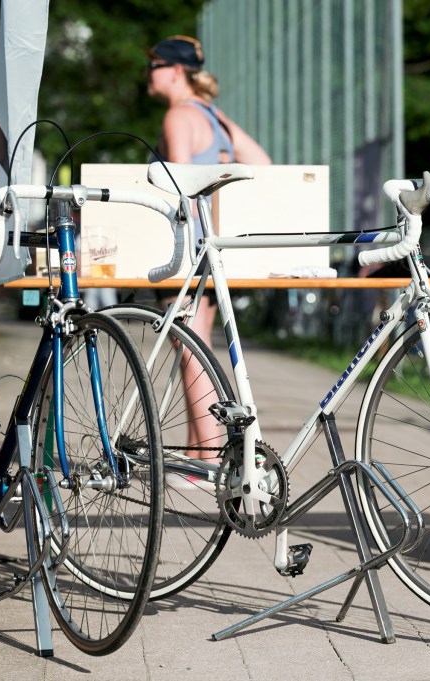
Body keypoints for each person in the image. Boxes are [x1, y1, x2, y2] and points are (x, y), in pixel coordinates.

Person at [145, 34, 270, 469]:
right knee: (200, 349)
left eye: (154, 66)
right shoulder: (215, 117)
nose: (148, 74)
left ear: (176, 71)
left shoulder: (179, 116)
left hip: (188, 248)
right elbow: (261, 164)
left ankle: (207, 458)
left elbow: (179, 185)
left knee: (190, 353)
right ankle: (202, 451)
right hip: (213, 248)